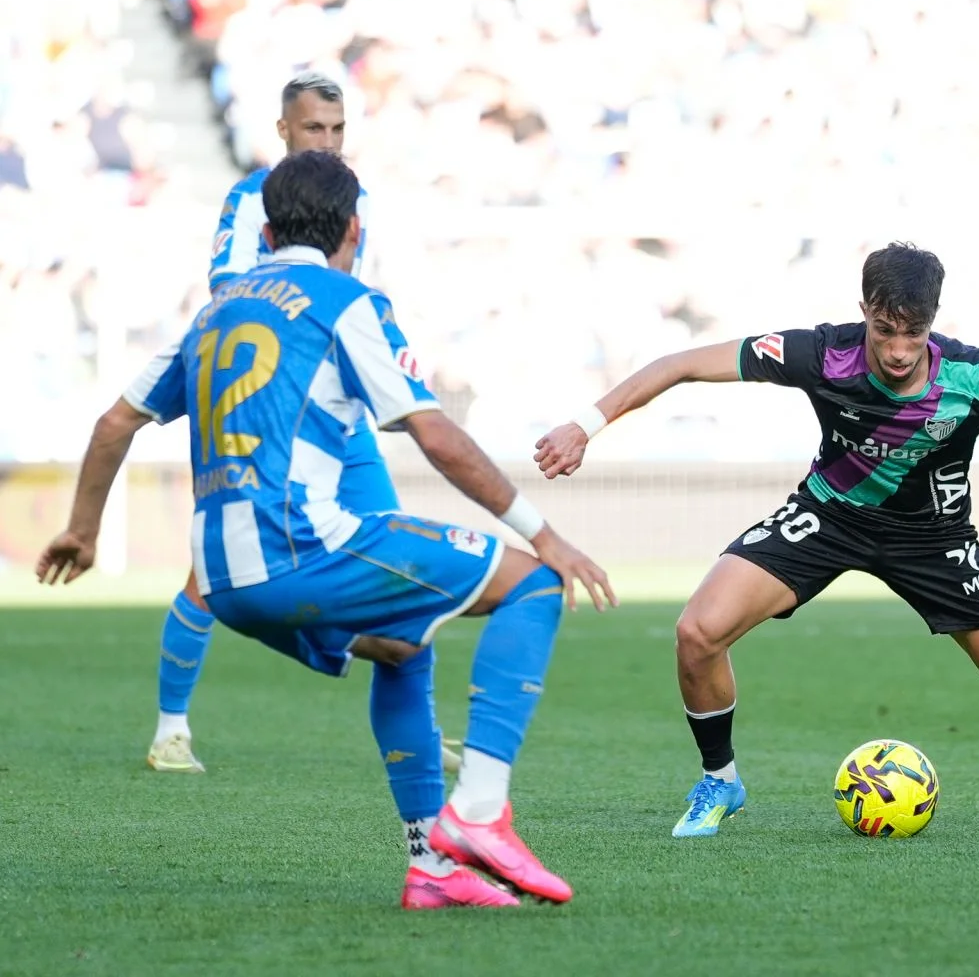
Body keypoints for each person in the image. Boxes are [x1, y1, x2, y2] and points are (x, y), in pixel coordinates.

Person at [38, 151, 617, 908]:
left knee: (403, 644)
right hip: (300, 550)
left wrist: (82, 530)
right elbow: (433, 435)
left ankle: (431, 868)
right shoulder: (346, 301)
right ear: (354, 227)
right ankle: (478, 813)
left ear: (270, 229)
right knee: (533, 585)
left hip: (220, 581)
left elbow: (116, 420)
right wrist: (546, 534)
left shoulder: (214, 312)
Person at [534, 242, 979, 837]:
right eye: (886, 330)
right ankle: (721, 781)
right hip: (829, 518)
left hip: (934, 538)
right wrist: (583, 425)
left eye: (914, 333)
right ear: (865, 308)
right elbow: (680, 363)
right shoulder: (819, 352)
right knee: (696, 631)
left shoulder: (974, 375)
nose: (899, 352)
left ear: (933, 321)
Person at [147, 72, 430, 776]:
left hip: (339, 408)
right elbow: (233, 293)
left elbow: (370, 295)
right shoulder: (252, 202)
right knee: (208, 575)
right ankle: (170, 730)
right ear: (283, 130)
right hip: (268, 403)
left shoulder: (358, 203)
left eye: (336, 129)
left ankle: (415, 734)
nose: (328, 143)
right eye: (313, 130)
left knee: (391, 570)